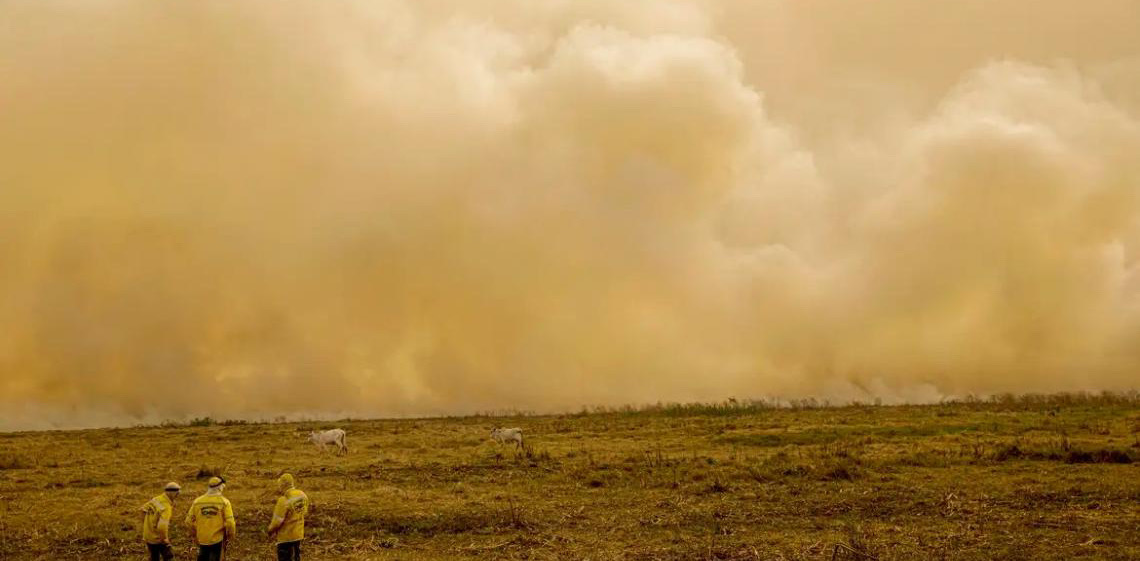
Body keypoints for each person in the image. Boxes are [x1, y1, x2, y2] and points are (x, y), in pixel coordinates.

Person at [184, 476, 236, 561]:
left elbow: (188, 521)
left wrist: (195, 535)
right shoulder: (224, 502)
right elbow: (230, 523)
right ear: (220, 487)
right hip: (217, 541)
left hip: (202, 540)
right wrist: (230, 537)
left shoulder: (197, 501)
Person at [267, 473, 309, 561]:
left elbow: (277, 522)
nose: (279, 488)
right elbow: (304, 512)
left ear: (283, 485)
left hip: (285, 538)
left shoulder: (283, 500)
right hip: (298, 535)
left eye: (279, 485)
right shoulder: (302, 495)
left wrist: (270, 531)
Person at [140, 482, 181, 561]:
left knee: (154, 557)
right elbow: (162, 527)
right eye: (177, 492)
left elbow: (142, 510)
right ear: (171, 492)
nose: (178, 495)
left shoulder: (156, 499)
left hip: (148, 536)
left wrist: (147, 526)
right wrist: (165, 540)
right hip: (158, 538)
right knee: (169, 557)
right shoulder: (166, 507)